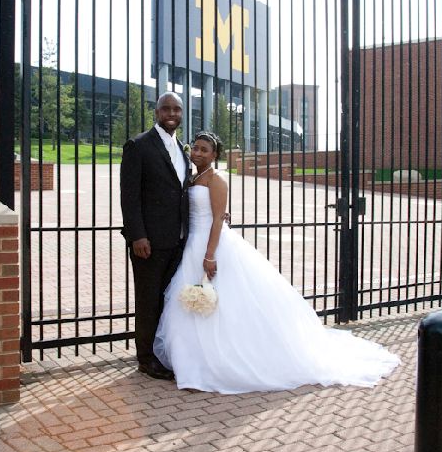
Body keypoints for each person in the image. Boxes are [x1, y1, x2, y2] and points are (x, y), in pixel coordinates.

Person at [154, 131, 400, 394]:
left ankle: (216, 363)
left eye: (205, 150)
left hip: (209, 246)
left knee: (223, 305)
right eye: (197, 149)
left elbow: (216, 220)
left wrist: (210, 254)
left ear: (215, 155)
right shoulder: (192, 179)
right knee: (191, 307)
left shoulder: (216, 180)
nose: (199, 153)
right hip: (192, 243)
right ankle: (193, 361)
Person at [120, 92, 190, 380]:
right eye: (166, 109)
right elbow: (129, 196)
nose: (171, 113)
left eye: (176, 109)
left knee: (167, 300)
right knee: (148, 301)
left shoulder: (182, 149)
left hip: (177, 240)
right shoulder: (138, 146)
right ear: (157, 112)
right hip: (148, 242)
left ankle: (162, 352)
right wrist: (137, 235)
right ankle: (146, 359)